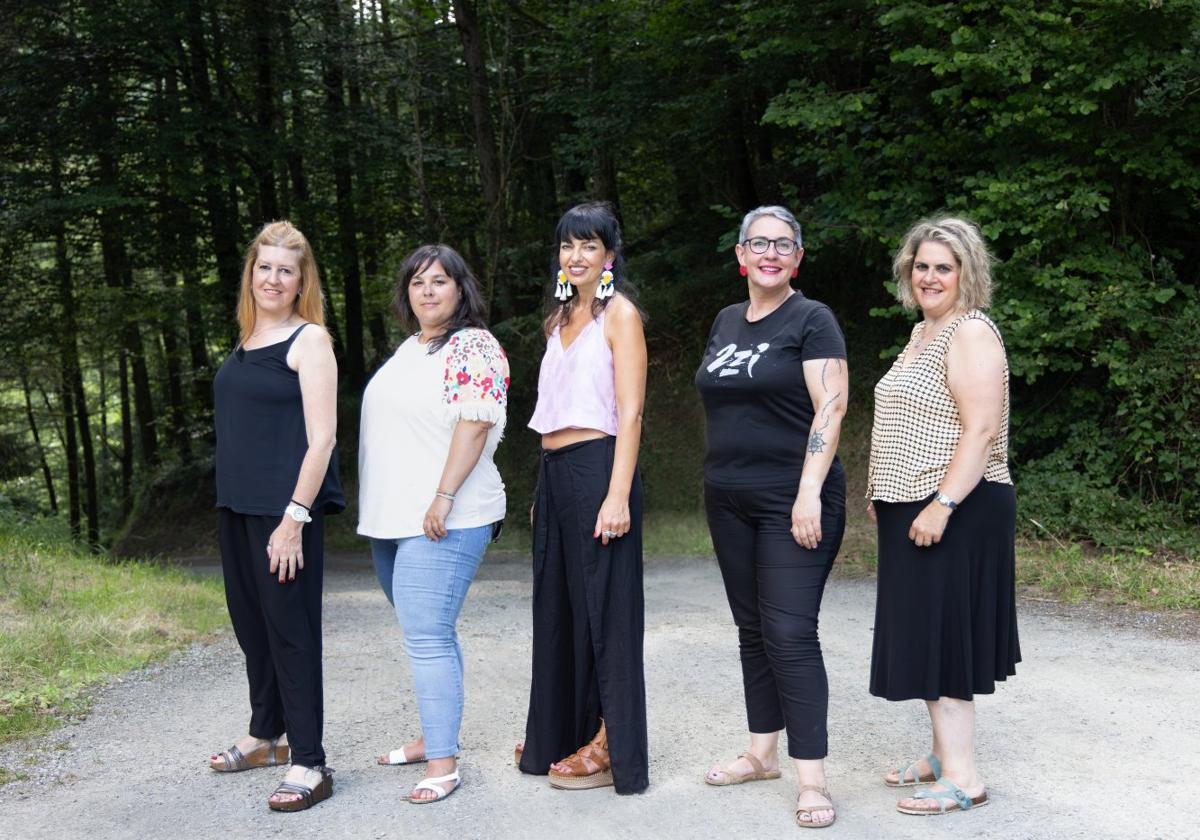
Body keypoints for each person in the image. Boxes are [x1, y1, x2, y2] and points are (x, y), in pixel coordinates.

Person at [695, 206, 848, 829]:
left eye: (784, 244)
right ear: (740, 255)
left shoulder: (813, 320)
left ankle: (811, 778)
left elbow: (831, 409)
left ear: (798, 258)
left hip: (793, 498)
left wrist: (809, 490)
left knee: (789, 633)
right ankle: (762, 752)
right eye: (759, 243)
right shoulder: (727, 320)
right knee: (753, 629)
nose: (771, 253)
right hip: (726, 496)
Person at [866, 216, 1020, 816]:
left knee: (945, 639)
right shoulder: (923, 332)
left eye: (943, 268)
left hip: (958, 507)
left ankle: (964, 778)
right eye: (921, 265)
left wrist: (942, 504)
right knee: (926, 634)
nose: (929, 277)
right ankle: (938, 755)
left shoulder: (971, 332)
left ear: (967, 274)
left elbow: (981, 430)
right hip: (915, 505)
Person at [357, 244, 509, 804]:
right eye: (417, 282)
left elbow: (473, 425)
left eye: (439, 281)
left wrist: (442, 498)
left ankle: (443, 765)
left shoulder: (473, 345)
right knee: (429, 634)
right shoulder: (409, 350)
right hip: (392, 520)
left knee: (427, 637)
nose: (427, 291)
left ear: (460, 289)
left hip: (445, 518)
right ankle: (434, 735)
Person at [515, 201, 649, 794]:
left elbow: (633, 411)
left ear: (609, 257)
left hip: (600, 469)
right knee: (559, 607)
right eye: (568, 247)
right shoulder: (557, 320)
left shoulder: (620, 316)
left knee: (607, 611)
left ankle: (609, 742)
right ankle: (561, 729)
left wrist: (617, 493)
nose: (577, 256)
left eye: (590, 246)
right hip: (555, 469)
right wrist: (543, 490)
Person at [209, 220, 343, 812]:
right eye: (264, 267)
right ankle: (267, 735)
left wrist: (294, 517)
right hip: (235, 509)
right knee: (252, 631)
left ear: (300, 281)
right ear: (251, 274)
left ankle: (310, 761)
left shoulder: (308, 340)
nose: (272, 277)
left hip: (281, 515)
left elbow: (323, 439)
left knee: (291, 636)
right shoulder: (243, 341)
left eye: (285, 270)